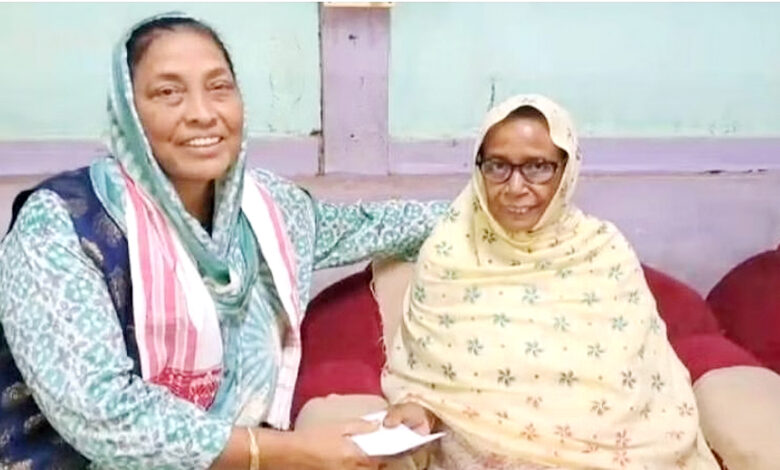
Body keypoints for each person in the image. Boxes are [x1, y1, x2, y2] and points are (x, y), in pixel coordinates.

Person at [0, 12, 446, 470]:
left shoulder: (266, 211)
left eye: (218, 87)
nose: (202, 113)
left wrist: (486, 205)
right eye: (168, 93)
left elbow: (375, 225)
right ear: (128, 111)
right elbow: (103, 415)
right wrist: (295, 451)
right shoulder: (60, 228)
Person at [382, 94, 720, 469]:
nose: (515, 187)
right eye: (497, 166)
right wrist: (418, 412)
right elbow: (427, 383)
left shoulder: (603, 251)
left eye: (538, 167)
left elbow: (635, 386)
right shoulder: (448, 255)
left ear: (566, 169)